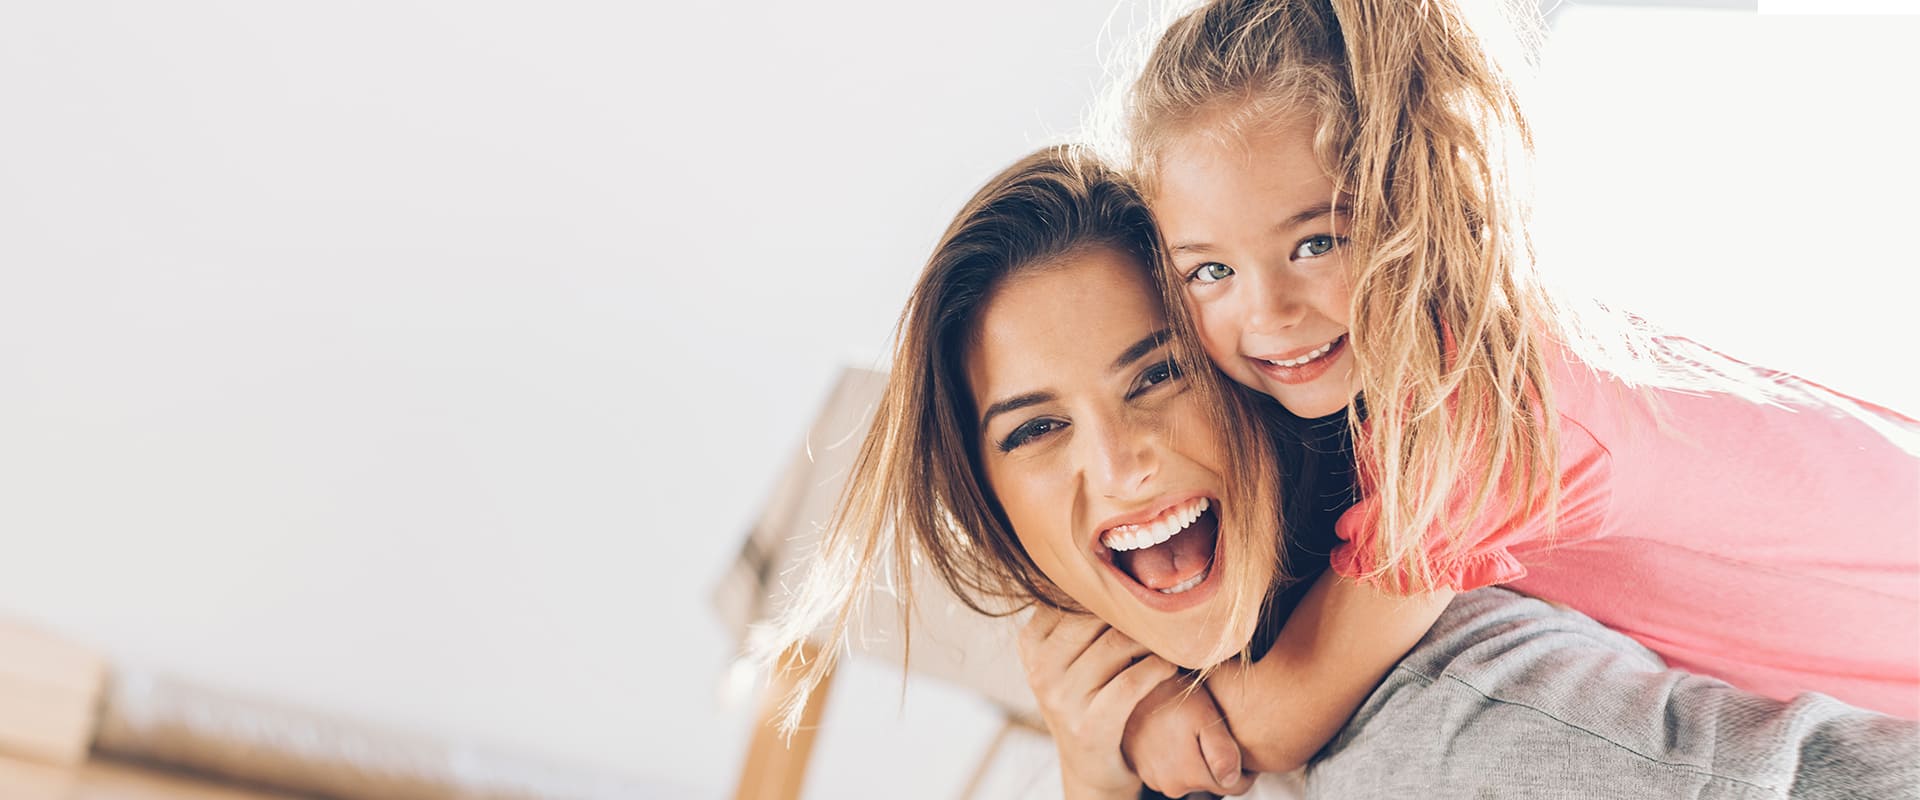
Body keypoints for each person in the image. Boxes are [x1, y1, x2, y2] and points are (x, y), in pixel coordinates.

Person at [761, 146, 1918, 799]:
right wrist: (1103, 760)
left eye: (1157, 374)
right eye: (1031, 429)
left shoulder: (1443, 710)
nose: (1117, 465)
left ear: (1258, 370)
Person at [1108, 0, 1920, 792]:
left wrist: (1125, 714)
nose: (1268, 314)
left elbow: (1278, 723)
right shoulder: (1463, 343)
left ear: (1417, 197)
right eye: (1210, 271)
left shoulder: (1474, 411)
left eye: (1318, 242)